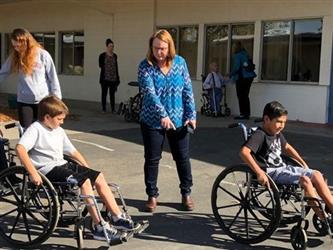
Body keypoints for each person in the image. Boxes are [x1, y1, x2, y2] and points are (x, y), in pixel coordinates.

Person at [15, 95, 138, 243]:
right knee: (85, 182)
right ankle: (99, 226)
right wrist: (33, 173)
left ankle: (117, 217)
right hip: (46, 169)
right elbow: (20, 149)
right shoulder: (36, 129)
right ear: (47, 117)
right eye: (59, 119)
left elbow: (72, 152)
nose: (62, 122)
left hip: (61, 164)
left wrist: (87, 168)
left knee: (98, 176)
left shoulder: (58, 130)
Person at [240, 101, 333, 220]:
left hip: (283, 168)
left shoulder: (277, 133)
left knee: (317, 174)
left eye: (284, 122)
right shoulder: (260, 135)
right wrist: (258, 172)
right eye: (279, 121)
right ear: (267, 119)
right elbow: (244, 152)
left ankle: (331, 207)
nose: (282, 125)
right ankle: (323, 217)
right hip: (272, 172)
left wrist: (302, 162)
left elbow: (287, 147)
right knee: (305, 180)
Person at [138, 29, 197, 212]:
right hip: (152, 120)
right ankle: (152, 195)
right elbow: (149, 93)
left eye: (162, 48)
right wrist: (162, 115)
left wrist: (191, 115)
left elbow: (187, 89)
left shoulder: (180, 63)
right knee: (152, 158)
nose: (159, 52)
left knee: (182, 158)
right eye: (156, 48)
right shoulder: (145, 66)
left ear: (169, 47)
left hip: (179, 120)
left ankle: (186, 193)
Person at [0, 28, 62, 129]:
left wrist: (57, 100)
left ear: (26, 42)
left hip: (43, 101)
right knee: (27, 131)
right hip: (24, 101)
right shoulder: (15, 57)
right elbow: (2, 73)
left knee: (43, 130)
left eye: (19, 46)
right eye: (14, 46)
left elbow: (53, 78)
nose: (17, 49)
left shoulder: (43, 55)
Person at [230, 41, 256, 120]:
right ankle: (247, 114)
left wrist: (230, 74)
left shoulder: (238, 55)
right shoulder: (246, 54)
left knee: (241, 96)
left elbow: (236, 67)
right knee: (245, 96)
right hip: (250, 76)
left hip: (242, 77)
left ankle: (242, 114)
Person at [98, 39, 120, 113]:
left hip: (113, 78)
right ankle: (104, 108)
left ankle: (113, 109)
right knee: (104, 94)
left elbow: (116, 67)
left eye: (113, 46)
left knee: (112, 94)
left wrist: (117, 78)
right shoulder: (102, 56)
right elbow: (100, 65)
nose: (112, 48)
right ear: (107, 47)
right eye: (110, 46)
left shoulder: (115, 56)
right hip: (105, 78)